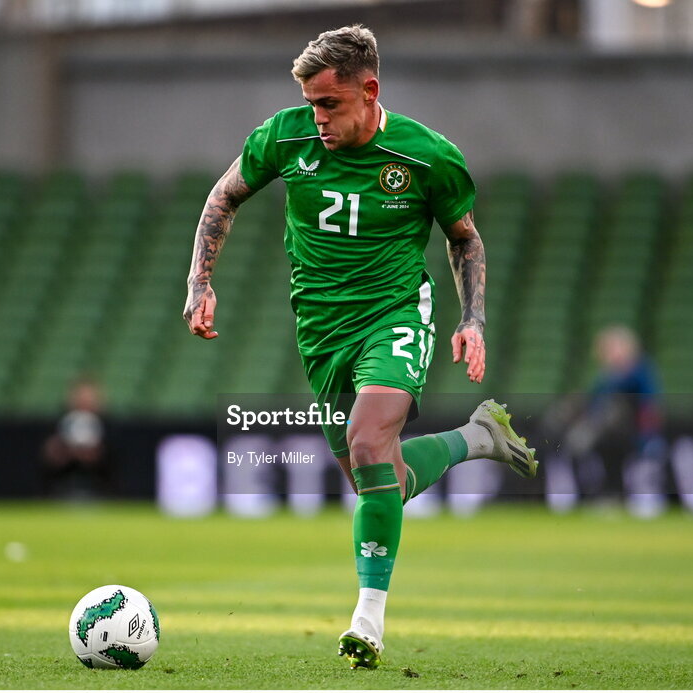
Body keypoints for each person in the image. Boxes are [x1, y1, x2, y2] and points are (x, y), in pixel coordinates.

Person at [183, 25, 537, 669]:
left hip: (396, 313)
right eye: (311, 103)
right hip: (320, 330)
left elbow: (465, 238)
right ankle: (477, 439)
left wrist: (473, 318)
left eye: (329, 104)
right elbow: (223, 197)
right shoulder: (284, 136)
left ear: (369, 91)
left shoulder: (428, 157)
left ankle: (367, 621)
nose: (316, 118)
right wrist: (200, 281)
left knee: (372, 443)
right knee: (379, 480)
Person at [544, 325, 665, 515]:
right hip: (607, 434)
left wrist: (647, 434)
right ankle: (601, 495)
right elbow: (592, 401)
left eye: (610, 349)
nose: (606, 355)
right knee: (593, 451)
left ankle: (626, 496)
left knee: (611, 451)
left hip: (631, 432)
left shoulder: (639, 372)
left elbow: (647, 406)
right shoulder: (606, 376)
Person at [41, 377, 110, 499]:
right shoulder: (58, 423)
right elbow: (48, 460)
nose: (85, 400)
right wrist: (64, 452)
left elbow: (114, 465)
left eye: (89, 397)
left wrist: (95, 454)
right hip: (60, 492)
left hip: (100, 494)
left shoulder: (108, 426)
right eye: (81, 396)